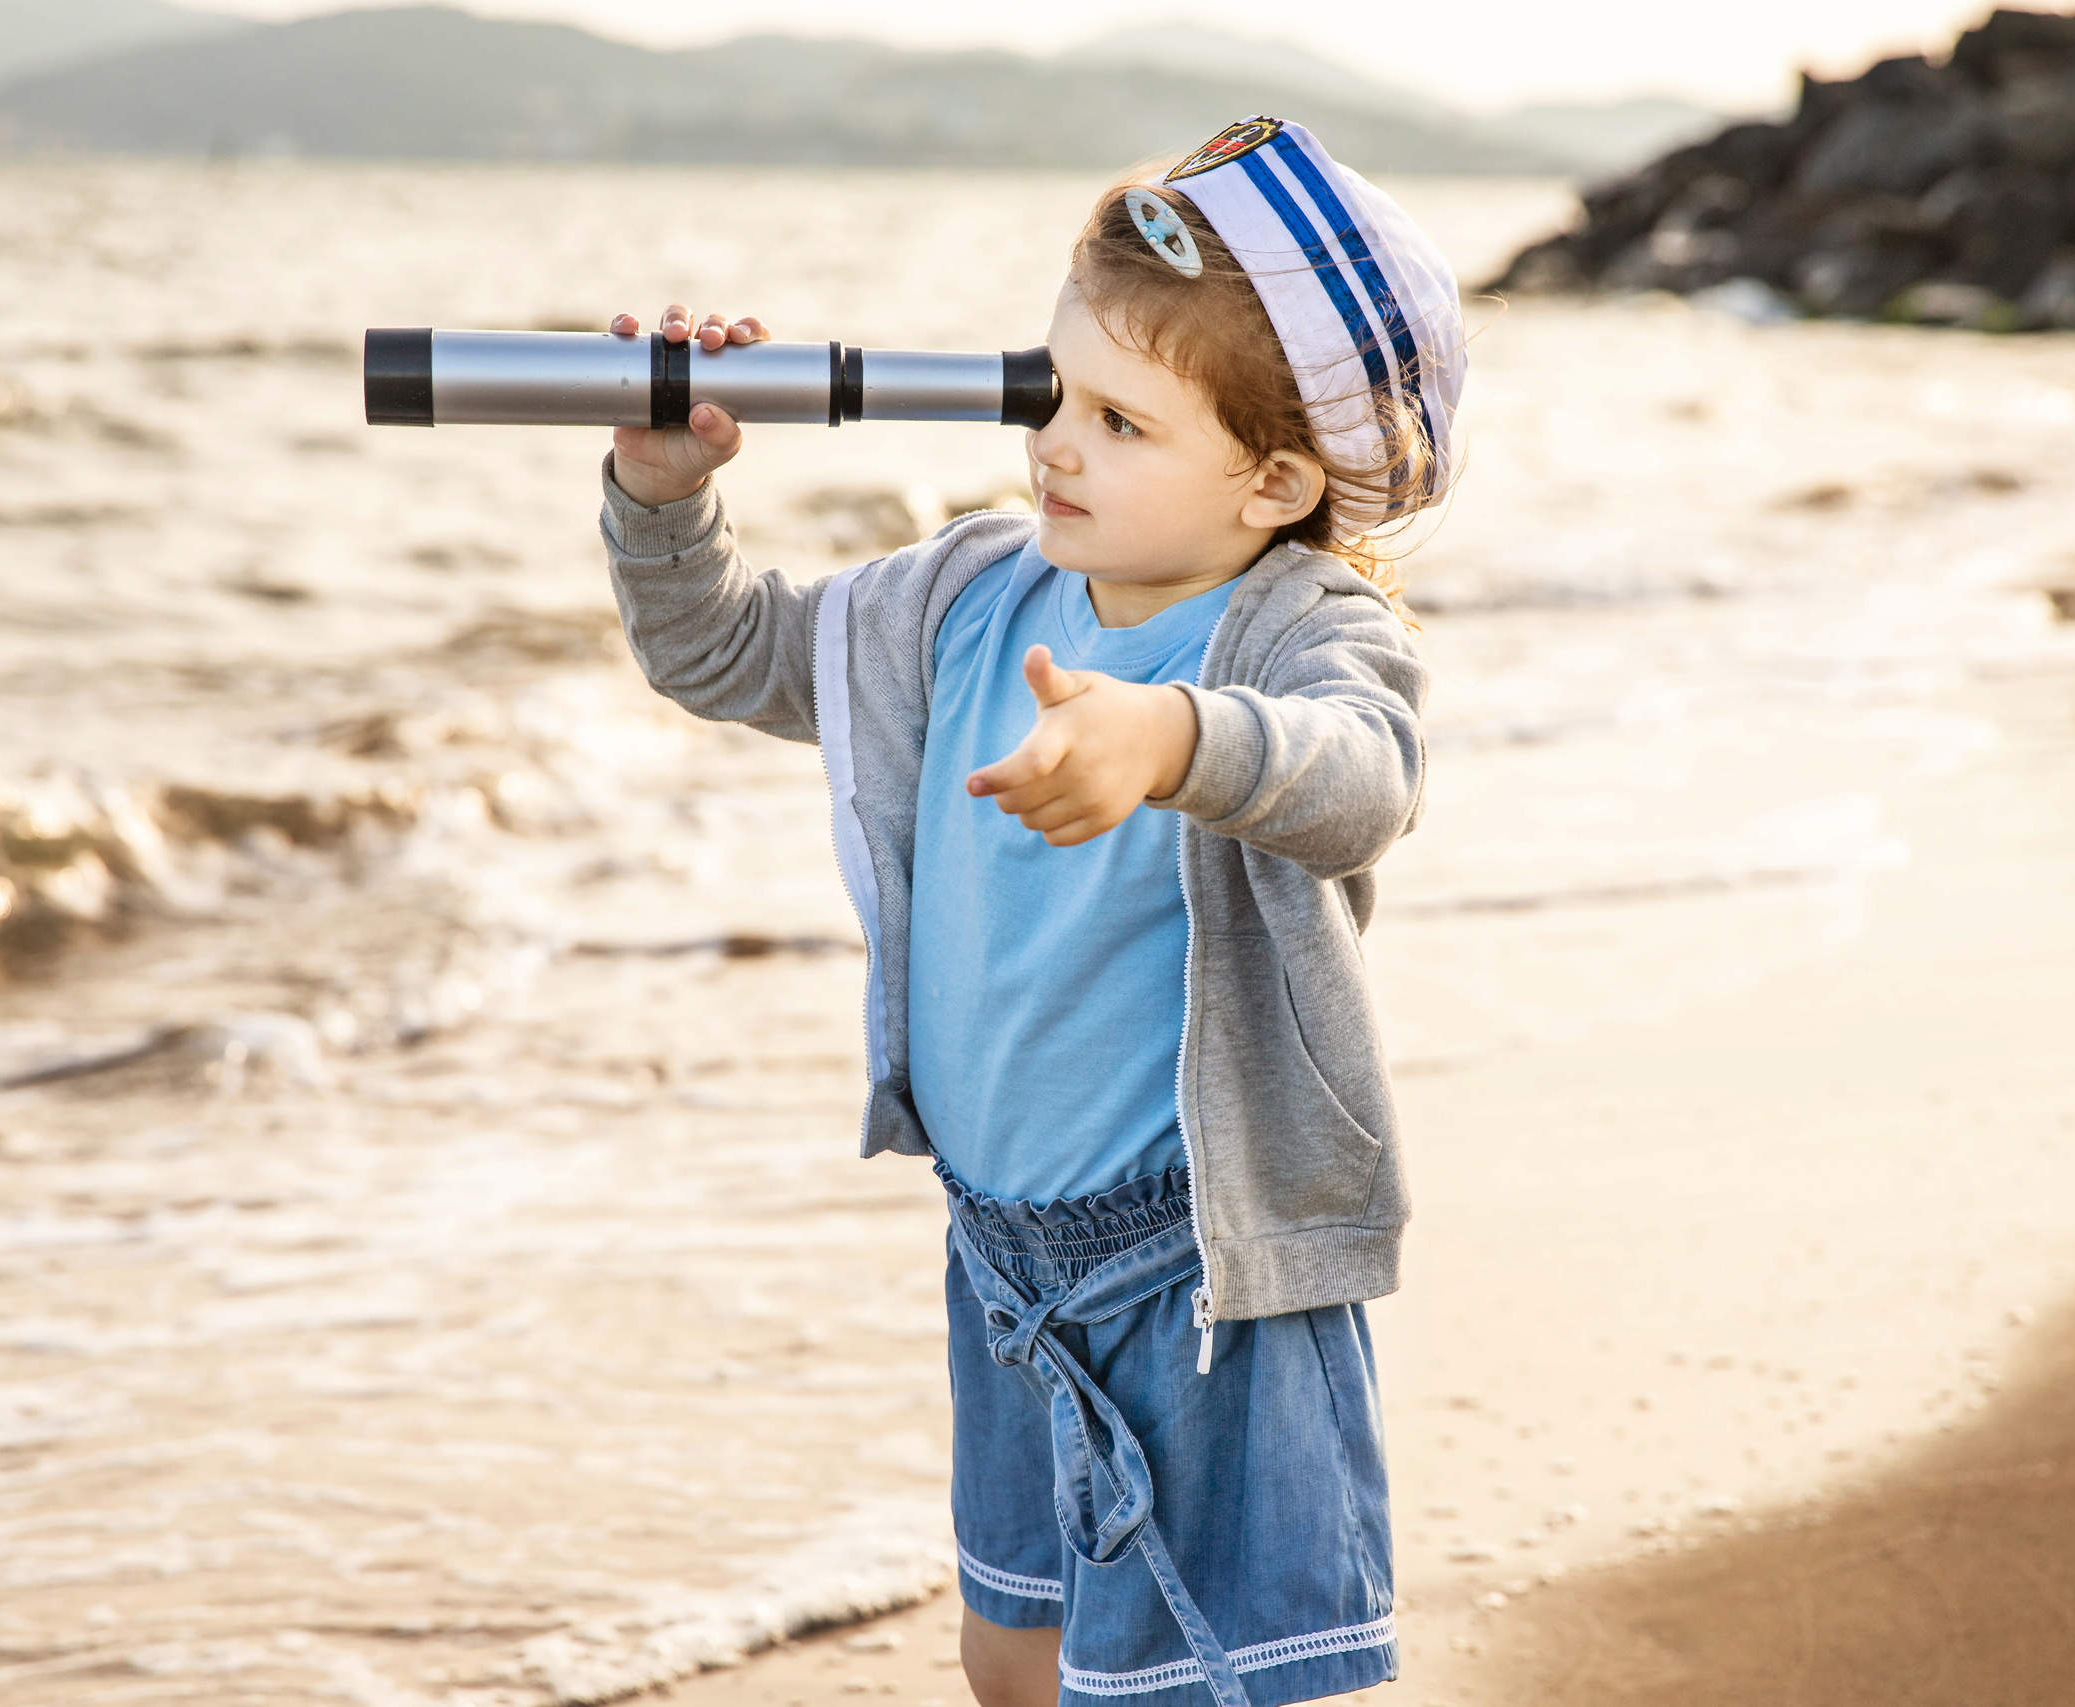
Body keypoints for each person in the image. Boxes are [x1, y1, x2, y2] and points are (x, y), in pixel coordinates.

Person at [599, 116, 1465, 1707]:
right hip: (1000, 1252)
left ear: (1272, 479)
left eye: (1121, 422)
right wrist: (665, 502)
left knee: (1225, 1679)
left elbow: (1367, 774)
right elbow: (723, 656)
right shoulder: (967, 598)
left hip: (1201, 1266)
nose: (1056, 444)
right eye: (1050, 393)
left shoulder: (1294, 629)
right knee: (1012, 1656)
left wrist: (1173, 738)